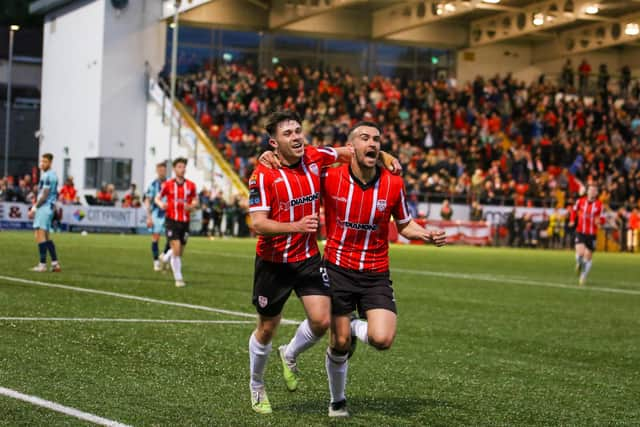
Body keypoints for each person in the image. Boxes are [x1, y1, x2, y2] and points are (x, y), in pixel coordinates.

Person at [322, 122, 446, 417]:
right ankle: (337, 401)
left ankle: (351, 325)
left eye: (377, 139)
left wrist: (426, 234)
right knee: (338, 344)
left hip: (375, 271)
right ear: (351, 147)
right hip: (337, 268)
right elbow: (308, 159)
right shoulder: (330, 177)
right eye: (365, 138)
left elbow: (404, 224)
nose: (373, 143)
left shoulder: (393, 183)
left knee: (382, 339)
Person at [246, 111, 353, 415]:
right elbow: (258, 224)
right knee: (266, 328)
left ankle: (289, 352)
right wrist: (296, 225)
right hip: (273, 264)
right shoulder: (262, 175)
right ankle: (256, 385)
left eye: (297, 131)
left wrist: (383, 156)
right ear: (273, 142)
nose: (296, 137)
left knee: (321, 321)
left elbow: (347, 152)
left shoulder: (315, 157)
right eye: (288, 133)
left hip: (307, 258)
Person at [155, 158, 198, 287]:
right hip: (171, 220)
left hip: (185, 221)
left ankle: (166, 257)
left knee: (179, 251)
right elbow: (157, 198)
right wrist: (161, 204)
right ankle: (178, 278)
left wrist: (191, 206)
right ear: (174, 169)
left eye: (184, 167)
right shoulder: (168, 185)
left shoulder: (191, 185)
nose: (182, 169)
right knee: (177, 248)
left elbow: (195, 200)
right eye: (179, 166)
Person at [27, 153, 61, 272]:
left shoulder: (49, 176)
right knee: (45, 236)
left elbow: (45, 195)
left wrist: (34, 208)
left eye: (45, 162)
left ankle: (42, 265)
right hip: (47, 207)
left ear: (50, 163)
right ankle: (55, 264)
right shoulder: (48, 175)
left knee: (39, 234)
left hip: (45, 207)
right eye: (42, 161)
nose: (42, 164)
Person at [569, 184, 604, 286]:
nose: (592, 192)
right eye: (591, 190)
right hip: (580, 231)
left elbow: (601, 218)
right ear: (587, 191)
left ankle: (583, 276)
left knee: (588, 256)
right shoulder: (580, 201)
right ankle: (579, 264)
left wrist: (599, 222)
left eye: (594, 190)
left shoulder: (599, 205)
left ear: (596, 193)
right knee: (580, 254)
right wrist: (572, 220)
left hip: (592, 234)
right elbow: (573, 211)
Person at [145, 162, 170, 271]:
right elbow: (148, 200)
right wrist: (149, 216)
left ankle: (164, 255)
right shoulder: (153, 184)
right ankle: (156, 261)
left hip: (169, 214)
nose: (162, 172)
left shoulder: (170, 183)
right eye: (160, 170)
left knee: (171, 238)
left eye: (163, 170)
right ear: (157, 171)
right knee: (156, 237)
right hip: (157, 214)